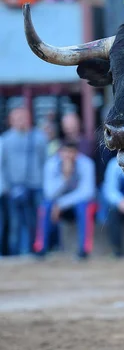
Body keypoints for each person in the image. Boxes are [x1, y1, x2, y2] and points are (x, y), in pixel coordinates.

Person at [35, 140, 96, 259]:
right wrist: (64, 177)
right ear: (60, 153)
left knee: (85, 206)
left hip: (72, 204)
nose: (68, 156)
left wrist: (61, 204)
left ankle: (84, 250)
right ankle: (41, 248)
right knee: (45, 206)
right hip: (55, 205)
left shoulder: (86, 164)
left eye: (71, 153)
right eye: (65, 152)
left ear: (77, 153)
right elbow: (49, 193)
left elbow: (87, 192)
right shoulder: (51, 164)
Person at [1, 106, 47, 255]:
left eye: (23, 118)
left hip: (36, 186)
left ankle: (37, 250)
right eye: (17, 118)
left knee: (37, 221)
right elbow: (2, 166)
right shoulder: (5, 140)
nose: (21, 121)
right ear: (11, 121)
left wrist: (45, 185)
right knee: (15, 223)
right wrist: (5, 187)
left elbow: (45, 161)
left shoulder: (39, 137)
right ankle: (16, 252)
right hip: (13, 188)